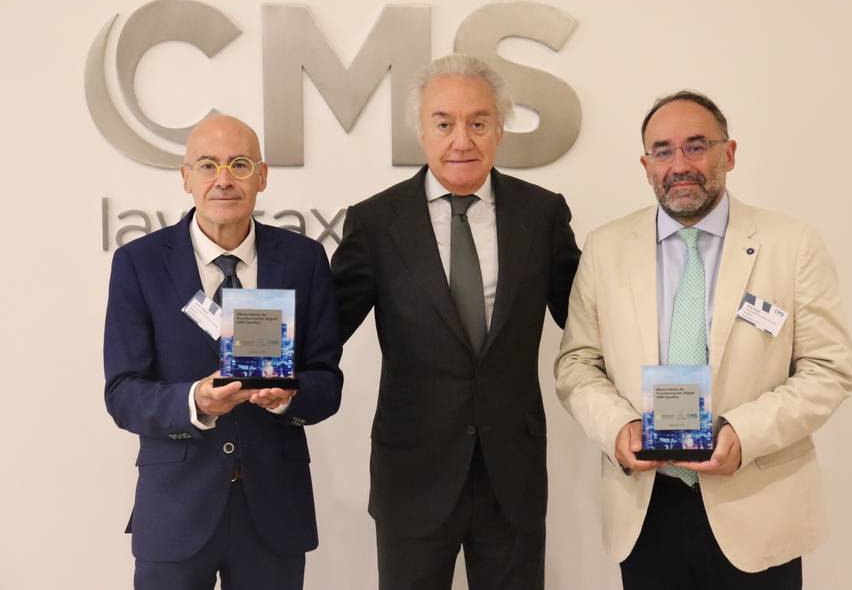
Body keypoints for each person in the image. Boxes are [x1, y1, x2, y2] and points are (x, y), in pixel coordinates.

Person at [555, 90, 852, 589]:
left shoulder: (791, 245)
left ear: (729, 154)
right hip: (646, 508)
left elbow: (830, 369)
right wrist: (620, 427)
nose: (680, 164)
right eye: (663, 150)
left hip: (757, 504)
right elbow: (577, 363)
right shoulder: (606, 249)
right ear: (646, 164)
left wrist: (745, 432)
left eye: (697, 146)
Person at [331, 53, 580, 590]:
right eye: (444, 124)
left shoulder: (542, 216)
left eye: (478, 122)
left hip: (510, 478)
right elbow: (323, 328)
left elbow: (590, 322)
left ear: (499, 129)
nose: (461, 140)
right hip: (412, 477)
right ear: (421, 132)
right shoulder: (376, 222)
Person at [103, 115, 343, 590]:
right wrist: (195, 402)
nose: (224, 179)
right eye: (208, 165)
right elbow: (123, 392)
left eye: (239, 164)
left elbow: (327, 382)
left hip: (274, 511)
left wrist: (288, 395)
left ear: (263, 175)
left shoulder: (302, 259)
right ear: (185, 177)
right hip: (175, 510)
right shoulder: (140, 263)